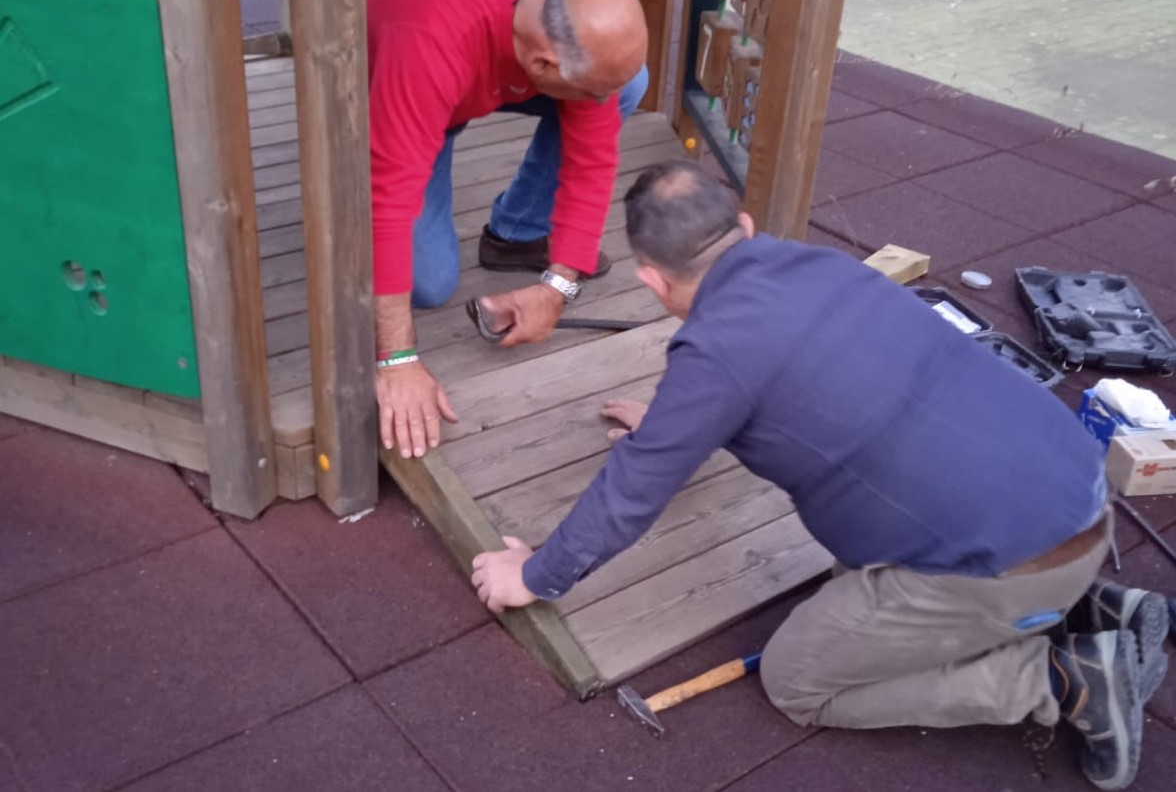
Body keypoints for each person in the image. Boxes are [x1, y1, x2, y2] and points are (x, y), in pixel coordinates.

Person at [471, 159, 1171, 791]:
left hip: (1013, 563)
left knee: (798, 680)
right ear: (744, 228)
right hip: (1080, 497)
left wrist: (533, 577)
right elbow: (787, 372)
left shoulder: (717, 352)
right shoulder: (824, 265)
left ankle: (1056, 679)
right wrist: (671, 422)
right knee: (863, 573)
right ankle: (1096, 605)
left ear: (651, 281)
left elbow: (627, 499)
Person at [365, 0, 649, 461]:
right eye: (586, 93)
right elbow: (388, 201)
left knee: (624, 83)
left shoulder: (574, 5)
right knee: (428, 284)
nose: (596, 105)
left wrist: (558, 286)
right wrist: (397, 362)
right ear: (543, 62)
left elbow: (592, 163)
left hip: (475, 54)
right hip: (386, 62)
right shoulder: (429, 43)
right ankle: (418, 129)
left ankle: (517, 233)